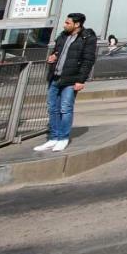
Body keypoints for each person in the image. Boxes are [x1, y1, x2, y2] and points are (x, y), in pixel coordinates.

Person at [36, 13, 96, 152]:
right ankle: (54, 138)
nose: (64, 25)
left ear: (77, 24)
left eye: (68, 23)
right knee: (52, 108)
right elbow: (57, 52)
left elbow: (88, 60)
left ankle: (63, 138)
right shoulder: (62, 36)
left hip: (71, 79)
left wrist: (81, 80)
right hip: (55, 76)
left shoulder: (87, 37)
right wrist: (52, 57)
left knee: (65, 109)